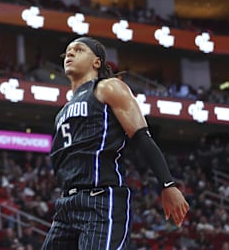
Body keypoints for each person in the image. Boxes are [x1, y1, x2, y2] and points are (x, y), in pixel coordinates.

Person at [43, 37, 188, 249]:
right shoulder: (62, 112)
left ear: (97, 62)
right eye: (68, 51)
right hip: (67, 204)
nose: (70, 54)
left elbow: (141, 136)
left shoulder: (108, 87)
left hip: (100, 200)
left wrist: (168, 184)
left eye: (79, 50)